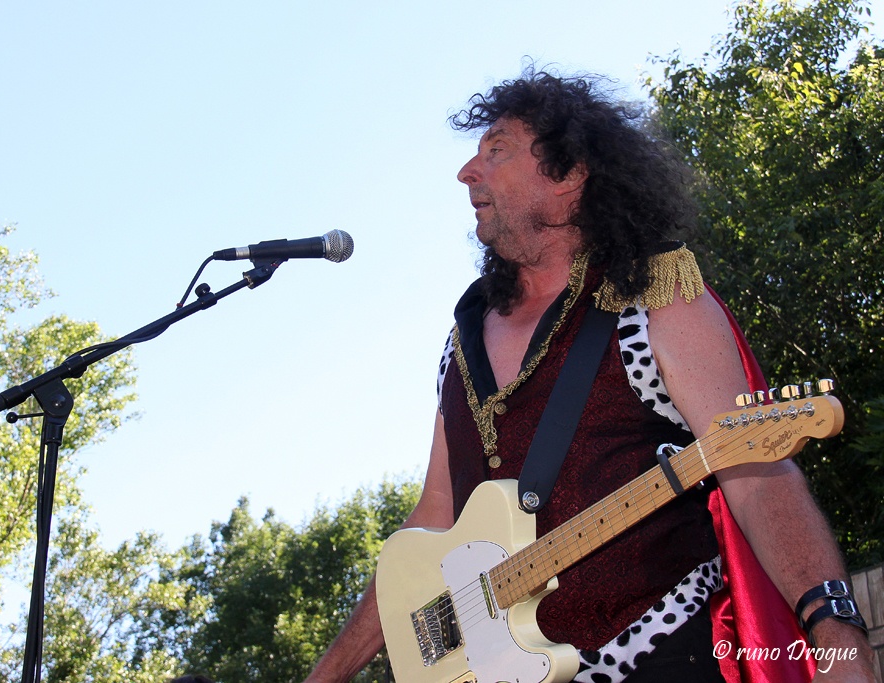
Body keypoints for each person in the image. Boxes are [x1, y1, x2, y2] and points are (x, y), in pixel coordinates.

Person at [304, 70, 874, 683]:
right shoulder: (460, 343)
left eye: (496, 150)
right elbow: (434, 518)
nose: (467, 172)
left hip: (658, 655)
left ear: (568, 174)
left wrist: (836, 633)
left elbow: (757, 476)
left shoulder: (656, 294)